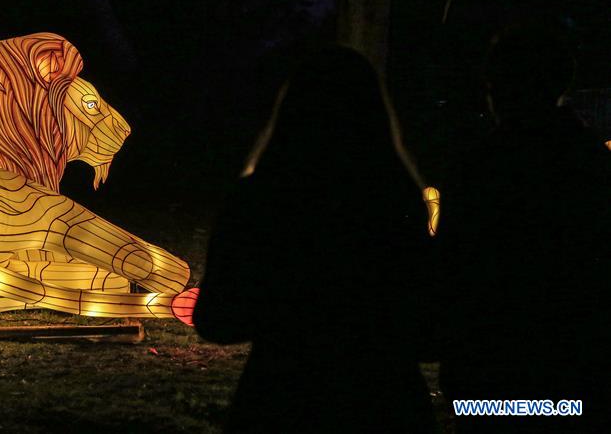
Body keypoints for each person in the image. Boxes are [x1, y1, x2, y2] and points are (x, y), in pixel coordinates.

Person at [194, 45, 437, 433]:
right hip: (385, 403)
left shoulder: (257, 199)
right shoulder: (396, 201)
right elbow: (428, 327)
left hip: (279, 398)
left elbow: (216, 319)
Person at [438, 23, 611, 433]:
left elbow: (454, 270)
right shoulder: (592, 165)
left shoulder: (477, 168)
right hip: (578, 369)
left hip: (491, 370)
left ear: (498, 87)